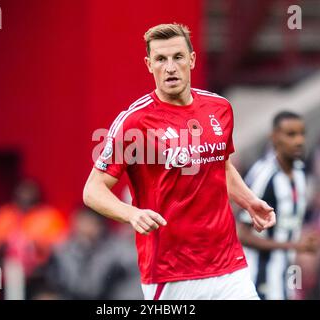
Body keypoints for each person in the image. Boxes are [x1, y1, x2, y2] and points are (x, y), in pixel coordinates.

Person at [83, 23, 276, 300]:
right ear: (149, 65)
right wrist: (132, 214)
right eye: (161, 59)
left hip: (229, 266)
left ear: (192, 59)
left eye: (178, 57)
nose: (170, 67)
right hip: (171, 275)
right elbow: (93, 190)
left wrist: (248, 200)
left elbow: (219, 164)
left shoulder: (219, 108)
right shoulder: (134, 122)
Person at [237, 111, 320, 300]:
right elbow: (242, 234)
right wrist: (293, 245)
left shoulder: (299, 172)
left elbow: (290, 224)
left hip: (288, 271)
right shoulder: (264, 175)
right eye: (291, 134)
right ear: (274, 138)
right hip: (259, 274)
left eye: (301, 134)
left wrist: (305, 242)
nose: (298, 141)